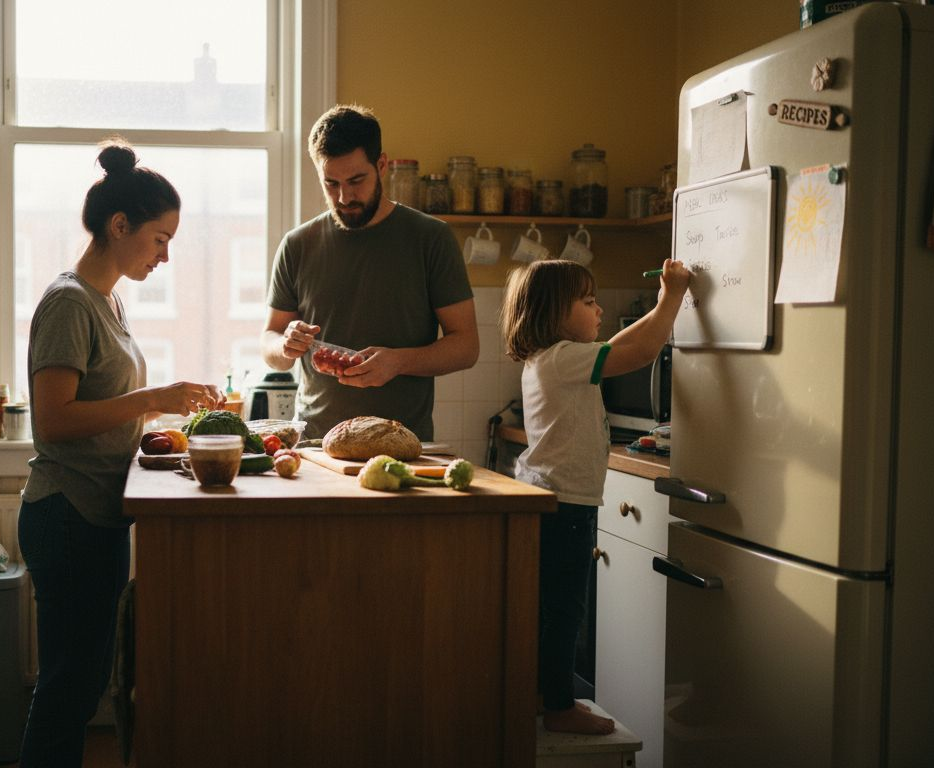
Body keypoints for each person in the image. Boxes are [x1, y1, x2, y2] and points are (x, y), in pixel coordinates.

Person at [16, 140, 224, 766]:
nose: (166, 255)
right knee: (68, 688)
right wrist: (153, 398)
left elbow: (102, 406)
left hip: (93, 515)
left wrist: (164, 422)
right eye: (160, 239)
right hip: (67, 515)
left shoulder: (107, 300)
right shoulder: (69, 302)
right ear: (119, 225)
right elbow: (54, 420)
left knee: (80, 687)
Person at [500, 257, 690, 734]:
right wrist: (672, 296)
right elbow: (639, 351)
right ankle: (559, 707)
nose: (599, 309)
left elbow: (619, 345)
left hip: (553, 500)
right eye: (587, 301)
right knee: (565, 612)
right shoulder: (563, 358)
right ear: (553, 313)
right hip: (564, 505)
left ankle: (542, 696)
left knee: (551, 609)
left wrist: (660, 305)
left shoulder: (552, 358)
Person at [261, 104, 478, 440]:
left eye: (356, 180)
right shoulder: (297, 244)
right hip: (316, 444)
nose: (344, 197)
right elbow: (270, 343)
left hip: (402, 444)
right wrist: (285, 344)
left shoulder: (431, 238)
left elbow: (466, 346)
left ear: (382, 165)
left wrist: (399, 362)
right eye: (331, 183)